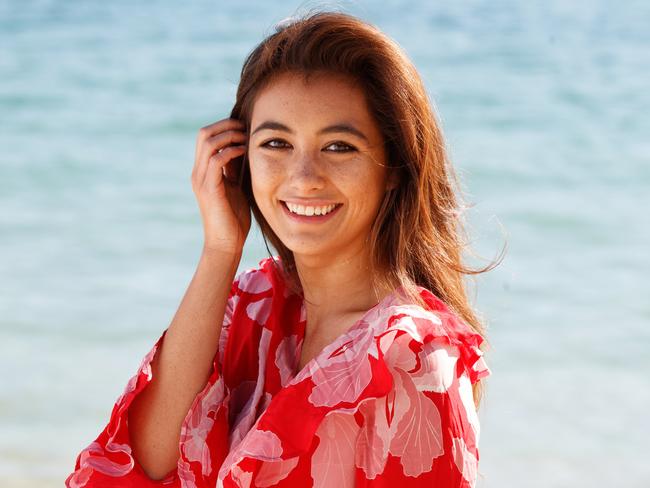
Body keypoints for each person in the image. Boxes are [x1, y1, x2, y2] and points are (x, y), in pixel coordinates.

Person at [66, 10, 499, 488]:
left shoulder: (413, 358)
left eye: (339, 147)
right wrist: (220, 247)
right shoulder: (255, 306)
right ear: (239, 158)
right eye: (276, 143)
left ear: (393, 166)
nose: (303, 178)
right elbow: (140, 465)